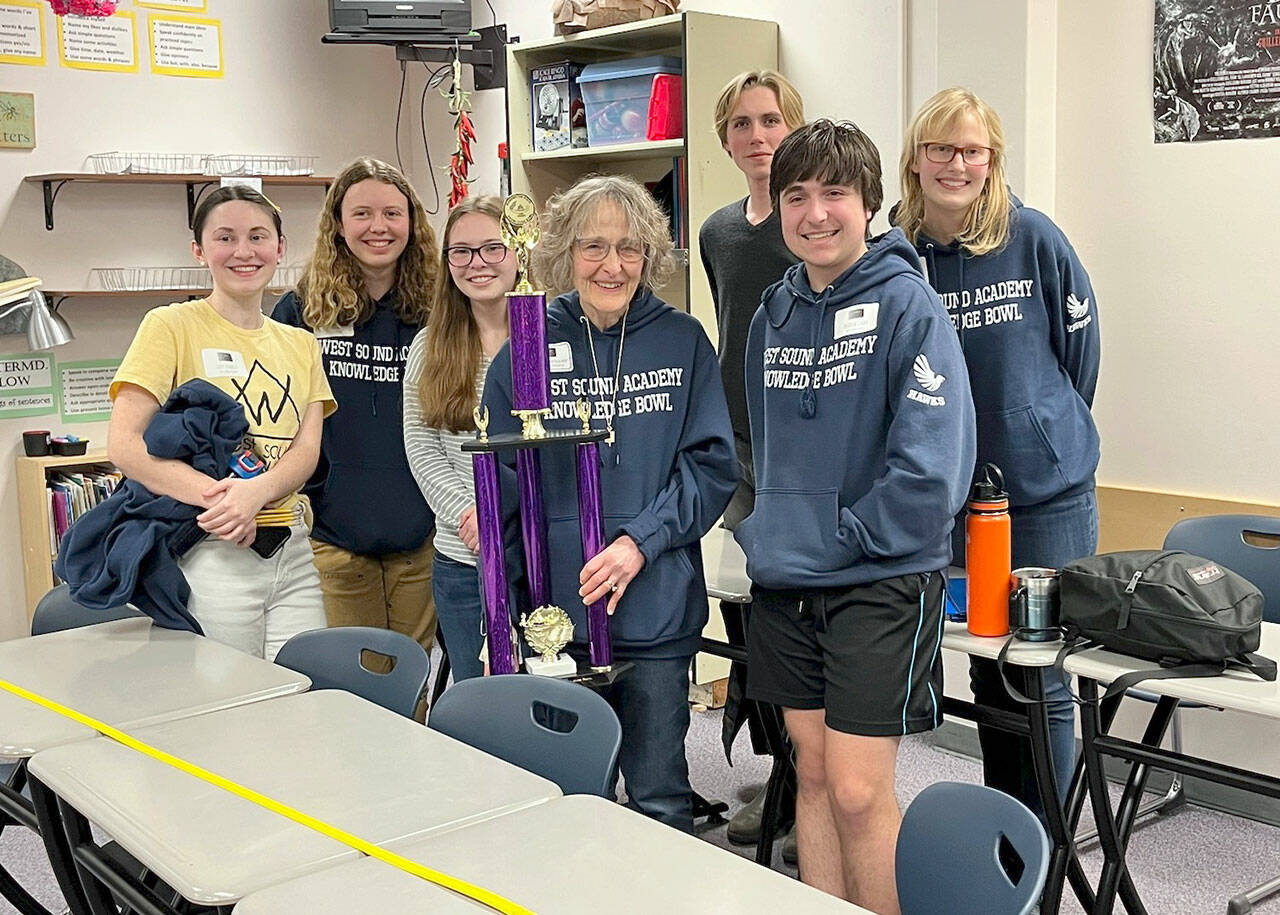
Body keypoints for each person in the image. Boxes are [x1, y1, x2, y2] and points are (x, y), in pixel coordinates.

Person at [736, 120, 975, 912]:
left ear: (868, 203)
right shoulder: (771, 312)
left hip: (879, 579)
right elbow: (764, 446)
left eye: (834, 193)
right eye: (796, 195)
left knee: (860, 791)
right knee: (808, 769)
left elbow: (931, 469)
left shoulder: (911, 307)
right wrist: (768, 530)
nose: (815, 213)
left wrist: (844, 536)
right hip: (786, 581)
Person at [482, 175, 736, 831]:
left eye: (629, 248)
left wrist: (638, 542)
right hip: (554, 626)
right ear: (565, 251)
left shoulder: (683, 342)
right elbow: (507, 493)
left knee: (657, 796)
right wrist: (505, 616)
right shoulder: (526, 351)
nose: (613, 265)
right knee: (565, 804)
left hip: (655, 616)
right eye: (594, 246)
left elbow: (710, 468)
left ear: (649, 254)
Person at [893, 87, 1101, 815]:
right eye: (940, 148)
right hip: (955, 502)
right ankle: (1006, 831)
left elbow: (1082, 356)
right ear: (915, 160)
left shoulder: (1033, 236)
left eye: (971, 150)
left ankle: (1049, 843)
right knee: (987, 665)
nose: (956, 163)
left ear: (992, 161)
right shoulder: (896, 253)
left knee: (1043, 673)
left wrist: (1035, 429)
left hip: (1048, 497)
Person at [108, 186, 336, 659]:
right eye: (225, 238)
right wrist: (227, 502)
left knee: (303, 695)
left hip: (290, 550)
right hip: (211, 547)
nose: (244, 251)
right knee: (227, 707)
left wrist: (256, 493)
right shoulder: (169, 326)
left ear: (280, 247)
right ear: (199, 250)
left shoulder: (300, 343)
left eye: (258, 236)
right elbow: (125, 446)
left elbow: (306, 451)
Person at [272, 158, 440, 660]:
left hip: (423, 534)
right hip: (333, 536)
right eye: (362, 213)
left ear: (411, 222)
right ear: (339, 226)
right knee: (354, 683)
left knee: (410, 679)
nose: (378, 227)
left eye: (392, 213)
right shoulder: (299, 310)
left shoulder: (440, 308)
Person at [403, 195, 516, 681]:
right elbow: (422, 448)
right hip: (462, 558)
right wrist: (473, 514)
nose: (478, 263)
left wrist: (506, 516)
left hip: (539, 553)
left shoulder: (552, 338)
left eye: (493, 247)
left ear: (520, 251)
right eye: (462, 251)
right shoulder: (430, 347)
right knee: (481, 702)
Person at [699, 69, 804, 529]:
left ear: (794, 130)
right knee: (739, 586)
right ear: (725, 140)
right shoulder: (716, 232)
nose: (756, 136)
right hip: (736, 436)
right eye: (741, 124)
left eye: (770, 120)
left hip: (798, 435)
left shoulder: (815, 228)